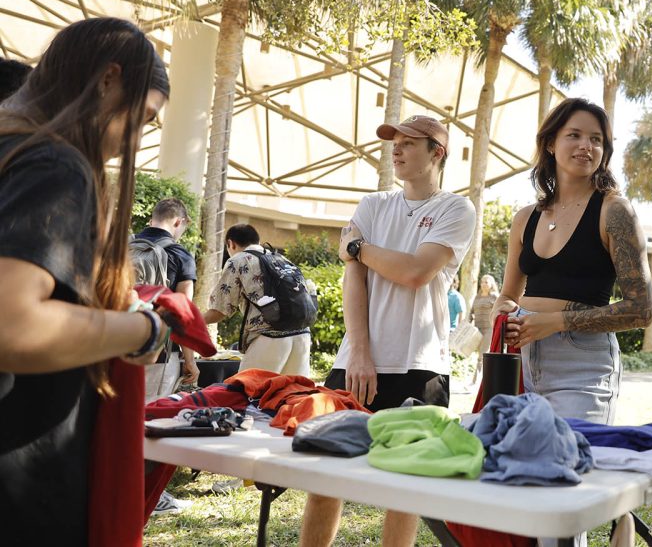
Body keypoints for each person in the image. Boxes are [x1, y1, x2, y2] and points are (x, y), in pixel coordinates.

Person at [0, 17, 172, 545]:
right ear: (107, 80)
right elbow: (14, 324)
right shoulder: (54, 163)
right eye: (141, 117)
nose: (135, 139)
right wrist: (141, 330)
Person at [299, 115, 475, 547]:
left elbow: (415, 272)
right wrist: (359, 350)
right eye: (393, 142)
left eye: (409, 143)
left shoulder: (456, 209)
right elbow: (353, 279)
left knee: (405, 488)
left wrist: (357, 248)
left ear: (438, 152)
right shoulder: (373, 205)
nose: (396, 149)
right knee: (326, 477)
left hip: (421, 364)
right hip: (354, 363)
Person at [495, 97, 652, 424]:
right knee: (517, 466)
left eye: (596, 139)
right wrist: (503, 317)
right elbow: (509, 295)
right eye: (575, 135)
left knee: (571, 465)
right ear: (551, 143)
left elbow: (642, 310)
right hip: (521, 361)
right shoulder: (525, 218)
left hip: (581, 365)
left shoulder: (615, 212)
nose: (586, 146)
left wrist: (556, 322)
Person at [202, 224, 312, 377]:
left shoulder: (238, 260)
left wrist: (190, 322)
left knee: (245, 394)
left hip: (269, 340)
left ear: (231, 244)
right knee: (292, 396)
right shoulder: (281, 258)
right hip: (302, 337)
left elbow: (220, 311)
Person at [134, 197, 200, 398]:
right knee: (151, 417)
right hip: (158, 352)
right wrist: (190, 361)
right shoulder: (181, 256)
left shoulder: (122, 245)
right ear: (179, 222)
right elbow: (182, 312)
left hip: (114, 344)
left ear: (151, 220)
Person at [470, 273, 499, 382]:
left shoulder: (495, 297)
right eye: (482, 282)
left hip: (489, 329)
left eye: (486, 282)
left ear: (491, 284)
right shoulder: (477, 297)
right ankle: (486, 379)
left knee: (482, 353)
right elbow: (471, 312)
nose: (483, 284)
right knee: (480, 354)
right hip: (477, 329)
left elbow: (499, 312)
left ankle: (475, 381)